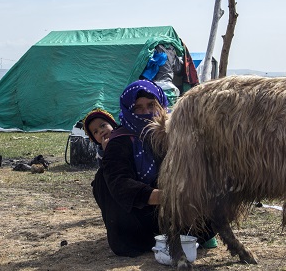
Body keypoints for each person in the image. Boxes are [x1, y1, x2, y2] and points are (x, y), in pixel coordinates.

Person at [91, 80, 216, 258]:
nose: (146, 113)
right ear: (128, 110)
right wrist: (166, 196)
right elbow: (120, 184)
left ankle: (185, 234)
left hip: (173, 215)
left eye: (151, 105)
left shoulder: (175, 134)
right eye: (138, 108)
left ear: (162, 104)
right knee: (103, 178)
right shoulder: (119, 141)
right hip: (138, 222)